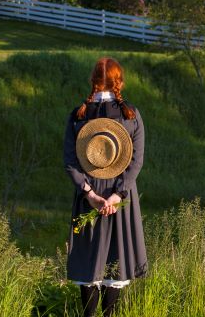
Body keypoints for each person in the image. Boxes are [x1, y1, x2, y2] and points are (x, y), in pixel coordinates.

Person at [63, 57, 147, 317]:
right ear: (118, 81)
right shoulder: (130, 114)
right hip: (119, 198)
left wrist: (89, 194)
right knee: (115, 261)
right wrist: (115, 196)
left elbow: (70, 161)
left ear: (93, 81)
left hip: (87, 195)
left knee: (90, 262)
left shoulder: (79, 114)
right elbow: (136, 162)